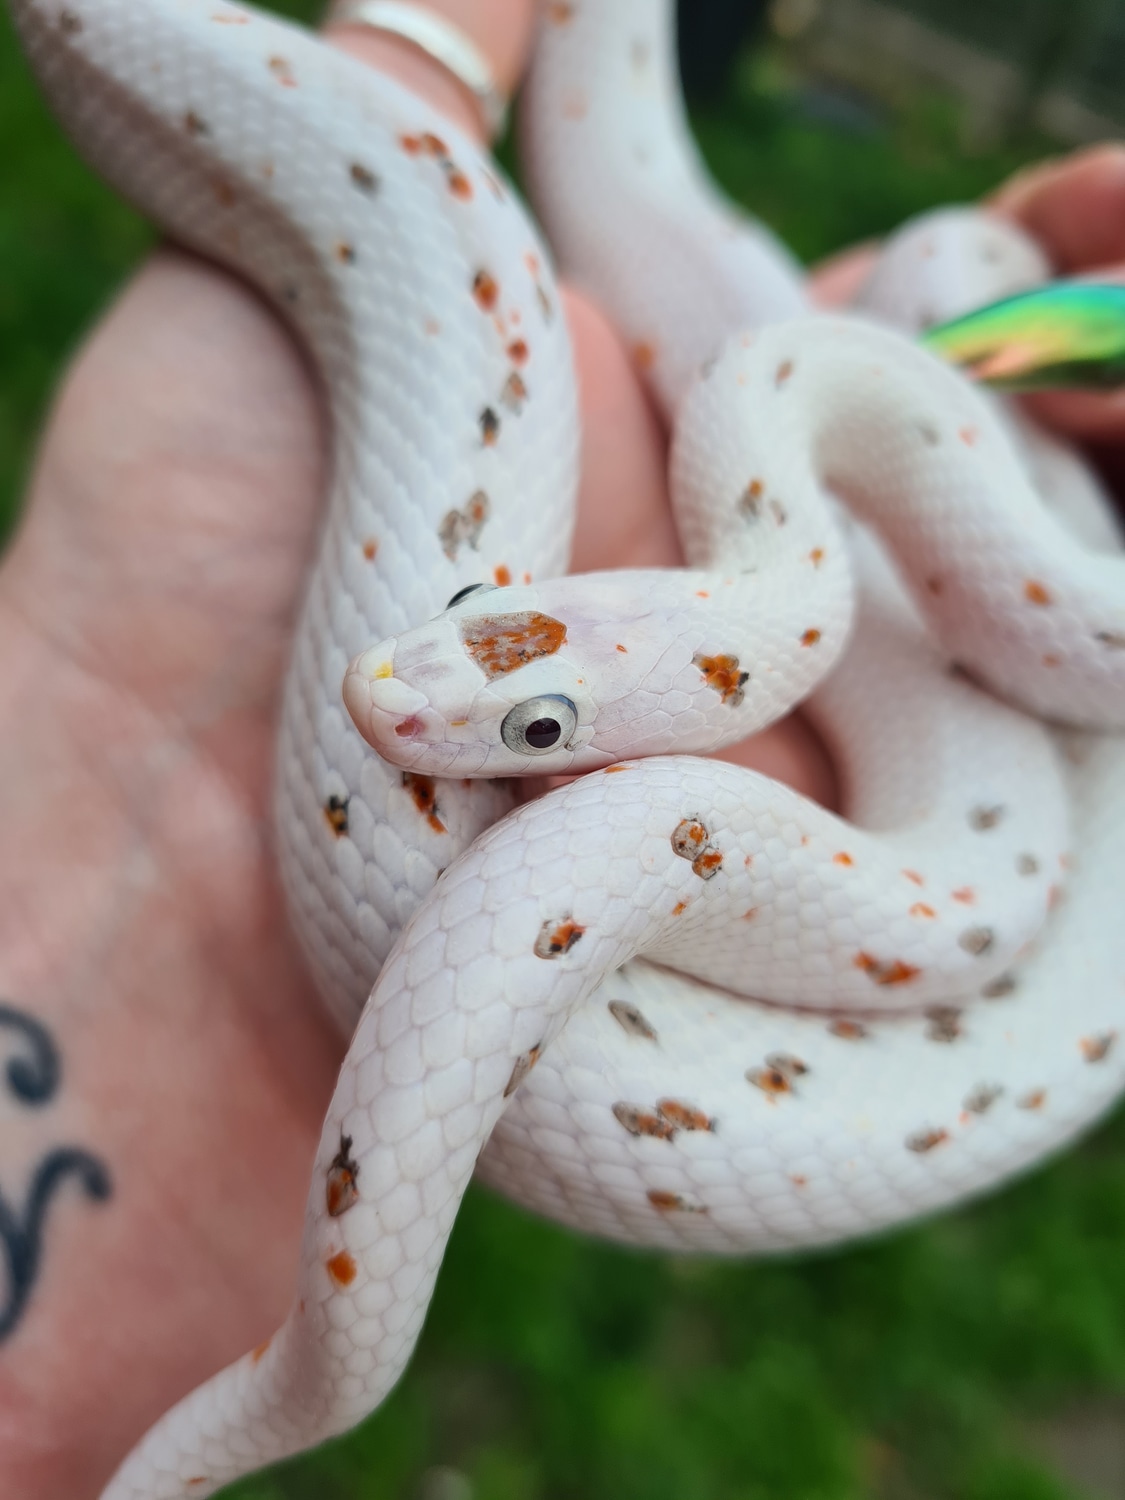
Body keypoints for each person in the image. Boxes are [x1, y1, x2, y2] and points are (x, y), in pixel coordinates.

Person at [0, 0, 1122, 1491]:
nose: (393, 700)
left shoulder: (795, 509)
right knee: (935, 276)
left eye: (530, 728)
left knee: (946, 273)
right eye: (482, 620)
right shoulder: (764, 457)